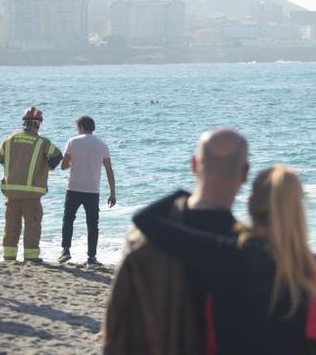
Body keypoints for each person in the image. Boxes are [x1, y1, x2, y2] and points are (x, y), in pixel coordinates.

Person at [133, 165, 316, 354]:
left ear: (249, 205)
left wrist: (187, 194)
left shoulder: (222, 252)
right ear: (298, 210)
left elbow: (145, 219)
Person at [102, 128, 249, 355]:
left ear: (193, 165)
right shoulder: (253, 251)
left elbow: (116, 323)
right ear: (245, 173)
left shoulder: (142, 240)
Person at [0, 107, 63, 262]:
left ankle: (9, 257)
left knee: (11, 226)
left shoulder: (9, 138)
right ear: (37, 123)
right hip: (32, 193)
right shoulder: (42, 142)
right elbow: (57, 156)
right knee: (32, 225)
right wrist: (46, 167)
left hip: (11, 192)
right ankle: (31, 258)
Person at [59, 115, 116, 265]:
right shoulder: (102, 145)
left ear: (81, 127)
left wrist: (73, 162)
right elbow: (109, 171)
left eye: (77, 127)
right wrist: (112, 193)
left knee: (68, 219)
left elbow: (63, 166)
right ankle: (91, 257)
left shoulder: (72, 142)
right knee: (92, 224)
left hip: (74, 188)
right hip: (92, 190)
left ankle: (65, 250)